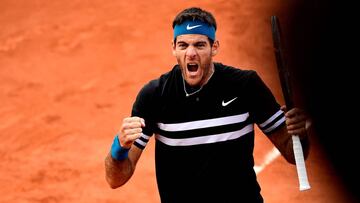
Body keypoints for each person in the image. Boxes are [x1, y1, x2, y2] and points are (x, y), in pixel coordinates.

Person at [105, 7, 310, 203]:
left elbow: (293, 153)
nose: (191, 53)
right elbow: (116, 179)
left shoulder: (246, 86)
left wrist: (298, 133)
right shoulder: (154, 96)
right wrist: (119, 147)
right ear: (174, 49)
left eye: (200, 45)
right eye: (183, 45)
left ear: (214, 47)